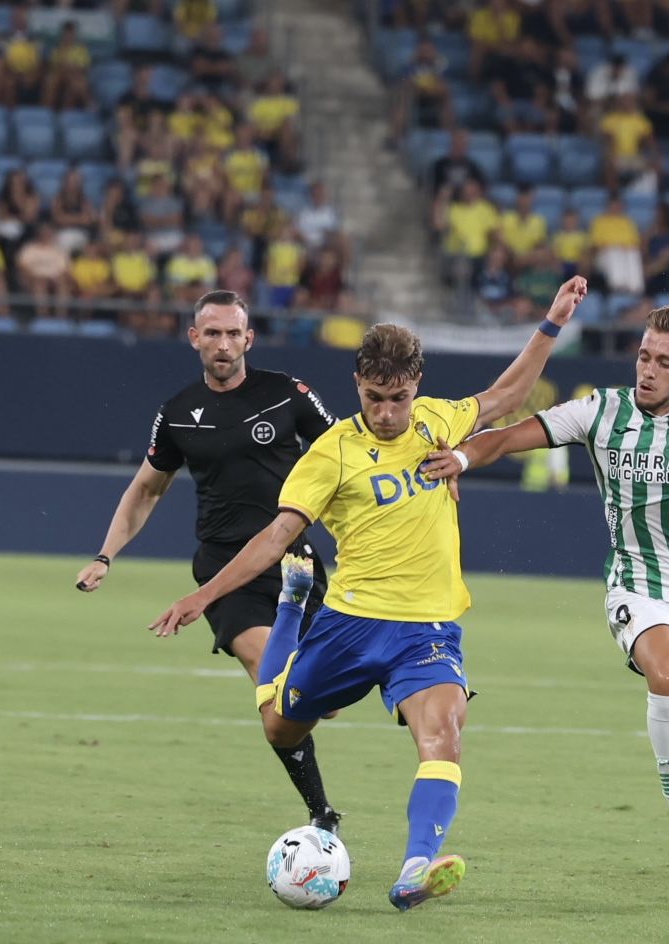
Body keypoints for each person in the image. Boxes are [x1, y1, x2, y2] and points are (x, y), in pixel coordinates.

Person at [149, 277, 590, 911]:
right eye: (376, 398)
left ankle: (416, 867)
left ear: (417, 387)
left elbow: (507, 394)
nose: (388, 413)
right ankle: (290, 610)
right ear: (358, 387)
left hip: (427, 628)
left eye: (400, 398)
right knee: (279, 726)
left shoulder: (438, 420)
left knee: (443, 734)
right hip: (348, 624)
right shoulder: (330, 454)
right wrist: (202, 597)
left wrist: (551, 324)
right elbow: (275, 538)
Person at [420, 305, 669, 906]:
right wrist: (464, 457)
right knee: (666, 671)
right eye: (644, 355)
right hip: (638, 586)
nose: (647, 369)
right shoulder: (602, 410)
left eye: (664, 362)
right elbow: (510, 437)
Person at [76, 290, 345, 832]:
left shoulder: (286, 394)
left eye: (233, 334)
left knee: (319, 700)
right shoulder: (176, 414)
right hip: (226, 575)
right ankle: (322, 814)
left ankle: (320, 785)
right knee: (275, 686)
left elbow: (347, 451)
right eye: (212, 333)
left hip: (295, 563)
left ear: (249, 338)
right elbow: (145, 491)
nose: (223, 344)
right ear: (194, 338)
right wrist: (106, 555)